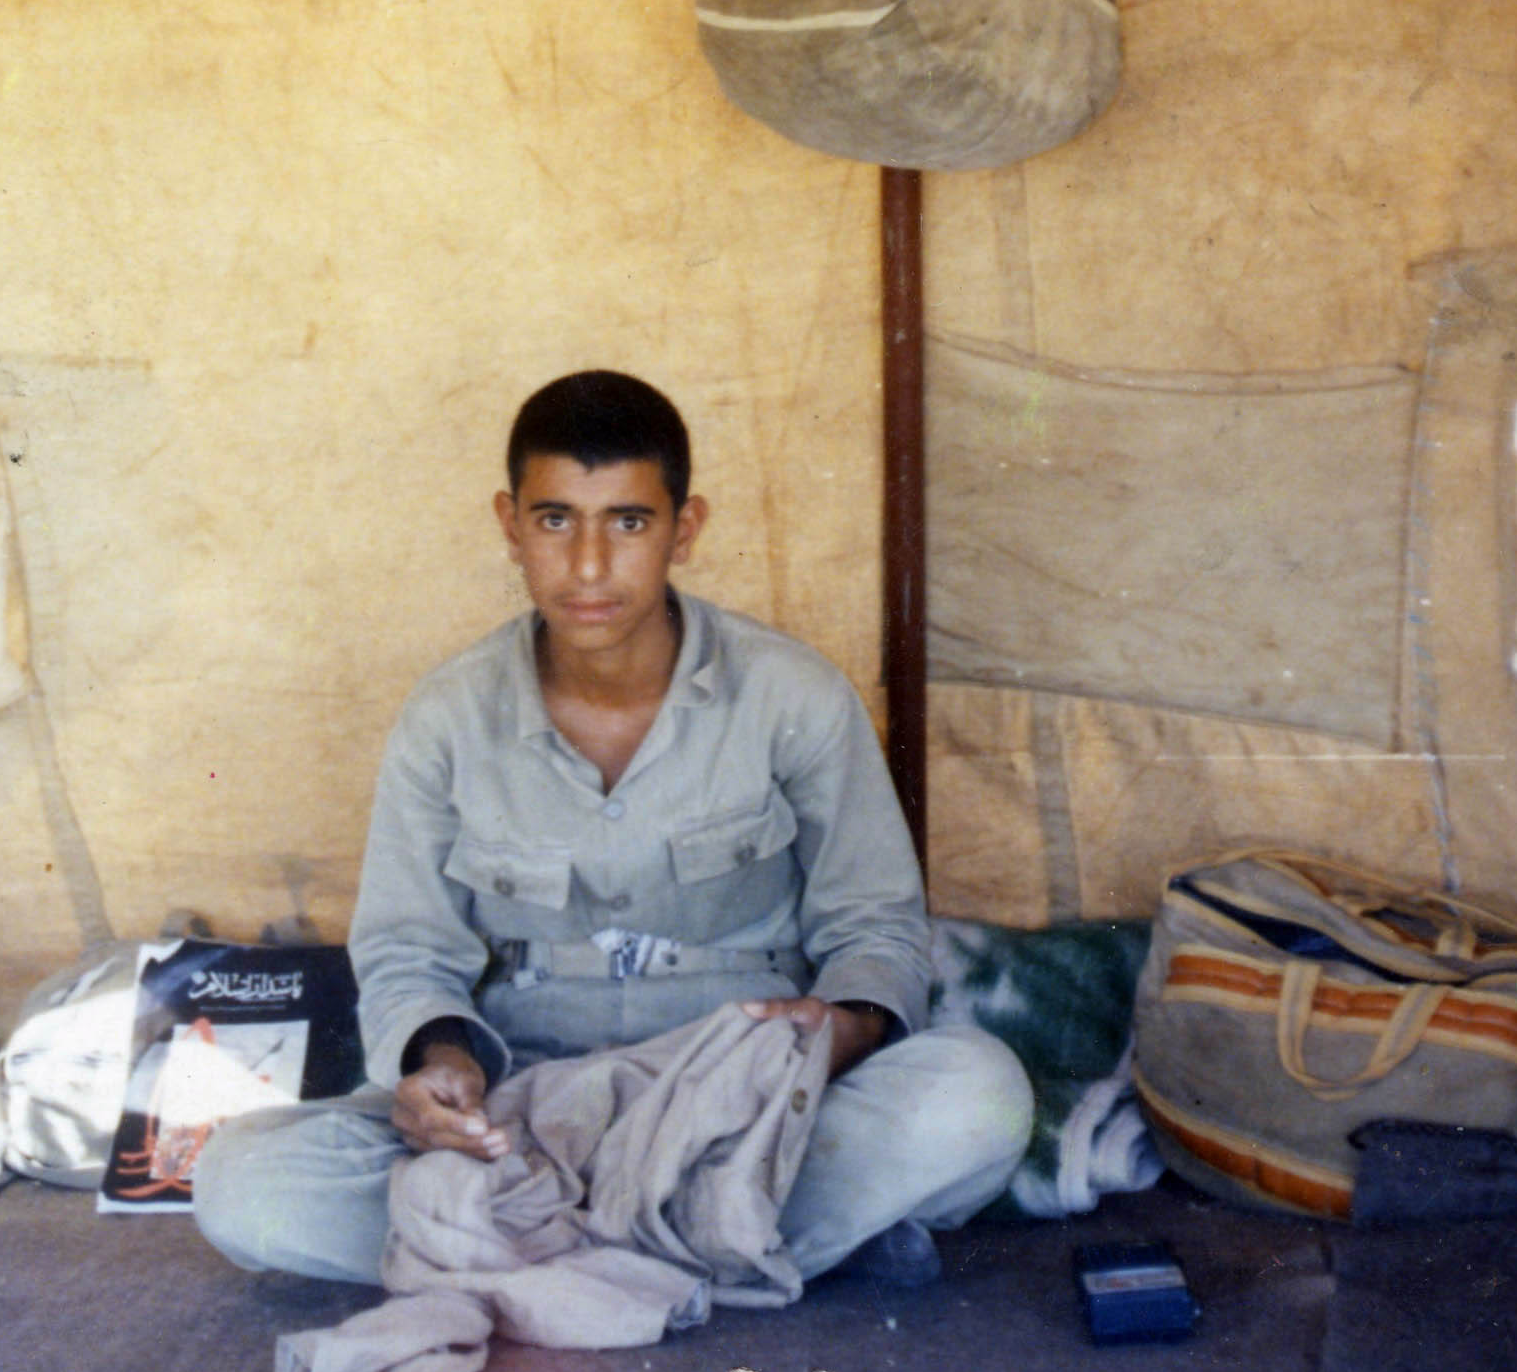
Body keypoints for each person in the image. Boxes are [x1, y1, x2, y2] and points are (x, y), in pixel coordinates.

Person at [192, 370, 1032, 1285]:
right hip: (520, 1113)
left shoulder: (794, 697)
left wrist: (841, 1032)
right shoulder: (446, 718)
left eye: (628, 522)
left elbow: (875, 926)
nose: (589, 566)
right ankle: (717, 1242)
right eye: (557, 520)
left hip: (739, 1105)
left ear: (686, 528)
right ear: (511, 525)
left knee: (978, 1096)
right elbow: (405, 949)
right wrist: (439, 1063)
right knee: (242, 1184)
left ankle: (532, 1254)